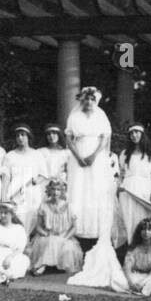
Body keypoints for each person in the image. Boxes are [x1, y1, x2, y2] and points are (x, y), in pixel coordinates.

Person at [65, 87, 115, 248]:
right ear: (82, 100)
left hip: (97, 157)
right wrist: (78, 157)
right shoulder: (74, 117)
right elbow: (69, 139)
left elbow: (104, 139)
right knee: (79, 189)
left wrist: (93, 156)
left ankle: (96, 232)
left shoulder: (101, 116)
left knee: (95, 190)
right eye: (86, 99)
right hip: (78, 157)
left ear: (96, 101)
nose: (88, 102)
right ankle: (78, 230)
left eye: (92, 99)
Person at [114, 123, 151, 248]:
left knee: (144, 220)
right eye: (131, 133)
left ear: (142, 134)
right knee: (128, 219)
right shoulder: (124, 154)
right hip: (127, 190)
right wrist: (120, 187)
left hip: (145, 190)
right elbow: (121, 174)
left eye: (137, 132)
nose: (134, 135)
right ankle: (129, 248)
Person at [28, 178, 83, 276]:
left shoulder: (68, 206)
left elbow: (74, 227)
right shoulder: (44, 205)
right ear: (49, 191)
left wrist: (65, 237)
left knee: (66, 246)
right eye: (53, 189)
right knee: (51, 241)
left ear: (62, 191)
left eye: (58, 190)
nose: (55, 192)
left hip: (64, 235)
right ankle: (42, 265)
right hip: (48, 235)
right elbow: (38, 226)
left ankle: (54, 265)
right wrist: (45, 233)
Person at [0, 124, 47, 233]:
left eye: (23, 135)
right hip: (15, 192)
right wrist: (4, 197)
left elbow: (43, 175)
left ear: (28, 137)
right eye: (18, 136)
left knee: (32, 217)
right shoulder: (10, 156)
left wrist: (36, 181)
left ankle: (28, 243)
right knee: (17, 217)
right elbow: (6, 178)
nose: (20, 138)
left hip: (31, 191)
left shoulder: (37, 154)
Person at [123, 219, 151, 297]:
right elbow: (127, 267)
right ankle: (135, 289)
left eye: (149, 230)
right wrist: (131, 283)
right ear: (139, 232)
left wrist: (142, 283)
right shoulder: (134, 247)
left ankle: (142, 289)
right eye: (143, 229)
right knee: (118, 278)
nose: (146, 232)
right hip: (136, 276)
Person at [0, 200, 31, 280]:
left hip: (10, 254)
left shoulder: (18, 228)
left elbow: (20, 248)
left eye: (5, 213)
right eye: (1, 212)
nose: (2, 215)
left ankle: (5, 275)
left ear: (12, 215)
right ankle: (0, 274)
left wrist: (10, 257)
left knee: (22, 261)